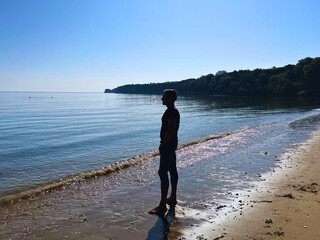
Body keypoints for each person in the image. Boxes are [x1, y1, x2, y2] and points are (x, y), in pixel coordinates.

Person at [148, 89, 180, 216]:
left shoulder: (171, 112)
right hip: (172, 144)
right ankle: (172, 197)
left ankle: (162, 205)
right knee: (172, 169)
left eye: (164, 97)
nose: (162, 99)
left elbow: (171, 130)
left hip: (168, 144)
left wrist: (163, 143)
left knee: (162, 172)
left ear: (171, 98)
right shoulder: (173, 110)